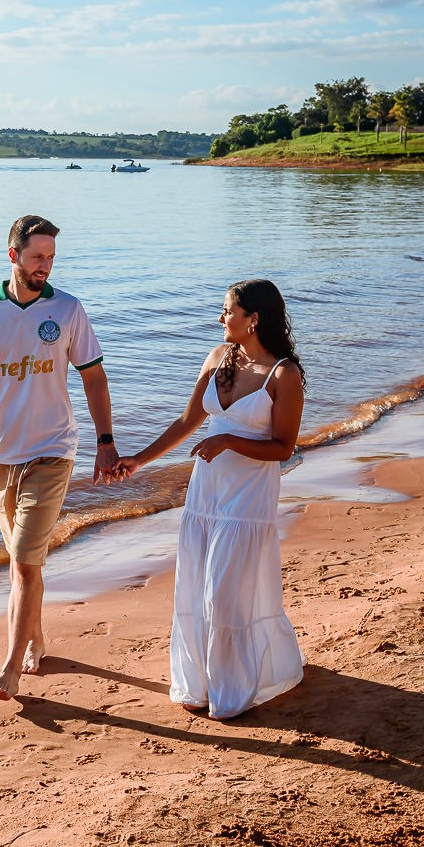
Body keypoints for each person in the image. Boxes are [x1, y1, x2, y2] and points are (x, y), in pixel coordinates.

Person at [0, 215, 122, 702]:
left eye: (50, 258)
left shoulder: (68, 310)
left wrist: (105, 439)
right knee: (24, 562)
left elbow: (93, 377)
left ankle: (9, 669)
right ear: (13, 257)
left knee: (23, 563)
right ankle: (37, 639)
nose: (45, 265)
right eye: (37, 257)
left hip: (53, 451)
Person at [113, 279, 306, 718]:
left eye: (227, 311)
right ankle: (199, 685)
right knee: (198, 585)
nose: (220, 318)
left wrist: (230, 444)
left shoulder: (284, 375)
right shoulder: (219, 358)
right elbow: (188, 421)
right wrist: (138, 461)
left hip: (248, 498)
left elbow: (284, 448)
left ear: (252, 318)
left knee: (224, 593)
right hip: (206, 494)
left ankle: (232, 691)